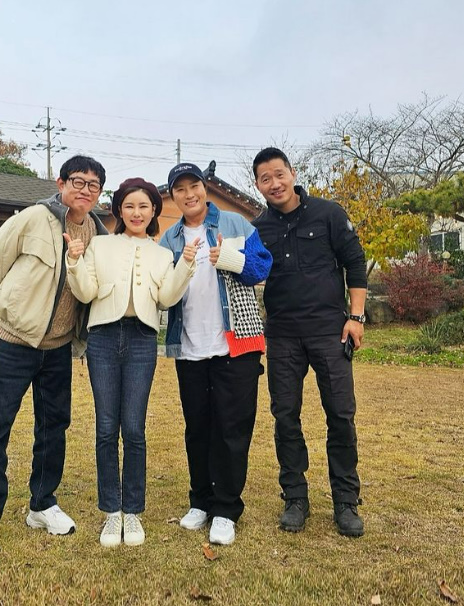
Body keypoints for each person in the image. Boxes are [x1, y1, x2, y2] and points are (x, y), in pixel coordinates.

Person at [0, 155, 108, 558]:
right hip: (14, 341)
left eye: (93, 185)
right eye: (78, 181)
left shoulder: (98, 233)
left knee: (53, 427)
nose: (85, 190)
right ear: (61, 183)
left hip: (59, 346)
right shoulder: (33, 218)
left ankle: (42, 504)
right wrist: (9, 305)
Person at [65, 177, 197, 547]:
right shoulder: (100, 245)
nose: (136, 213)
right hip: (103, 338)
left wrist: (186, 264)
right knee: (107, 427)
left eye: (143, 206)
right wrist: (74, 260)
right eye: (129, 206)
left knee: (135, 429)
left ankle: (133, 511)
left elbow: (167, 298)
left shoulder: (162, 254)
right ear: (119, 210)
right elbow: (86, 292)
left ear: (154, 211)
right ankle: (111, 512)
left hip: (142, 339)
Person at [252, 147, 367, 537]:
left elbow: (355, 262)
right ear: (258, 185)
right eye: (265, 179)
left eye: (279, 174)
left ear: (292, 173)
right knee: (285, 416)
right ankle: (295, 497)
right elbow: (245, 271)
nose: (274, 183)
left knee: (340, 415)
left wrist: (356, 317)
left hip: (330, 331)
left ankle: (346, 501)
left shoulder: (328, 214)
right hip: (282, 334)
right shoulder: (258, 228)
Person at [160, 162, 272, 546]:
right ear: (173, 196)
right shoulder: (170, 238)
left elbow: (262, 268)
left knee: (231, 428)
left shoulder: (236, 223)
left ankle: (225, 508)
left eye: (193, 186)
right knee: (197, 428)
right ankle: (200, 501)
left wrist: (228, 257)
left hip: (235, 343)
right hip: (189, 346)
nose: (188, 194)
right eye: (180, 189)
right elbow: (163, 291)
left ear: (204, 188)